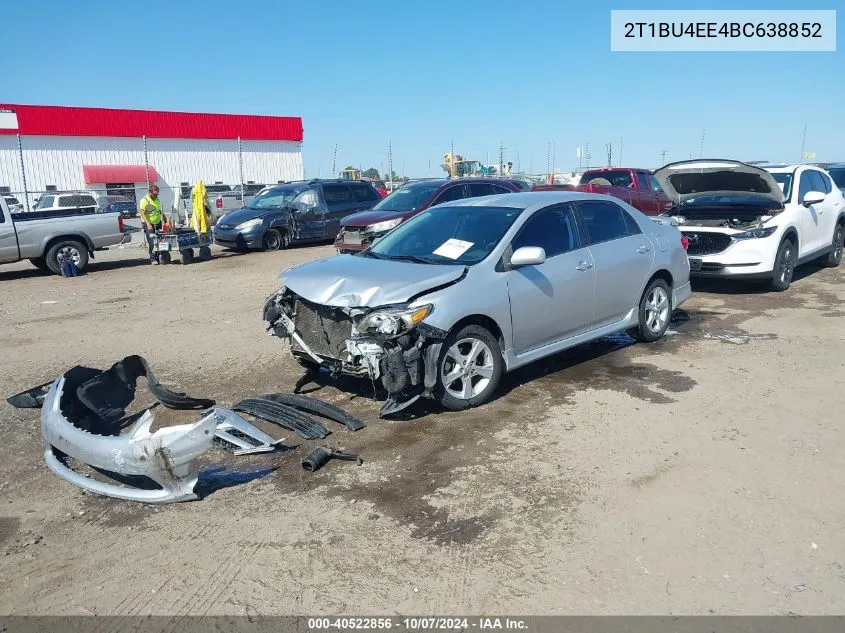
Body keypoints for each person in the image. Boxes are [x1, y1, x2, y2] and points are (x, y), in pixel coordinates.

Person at [138, 185, 168, 265]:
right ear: (150, 192)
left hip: (157, 222)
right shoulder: (144, 200)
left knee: (159, 240)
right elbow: (142, 212)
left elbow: (159, 211)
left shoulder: (156, 199)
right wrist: (148, 224)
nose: (156, 196)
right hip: (148, 223)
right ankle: (152, 258)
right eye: (154, 194)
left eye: (157, 194)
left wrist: (165, 220)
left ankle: (159, 257)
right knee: (152, 241)